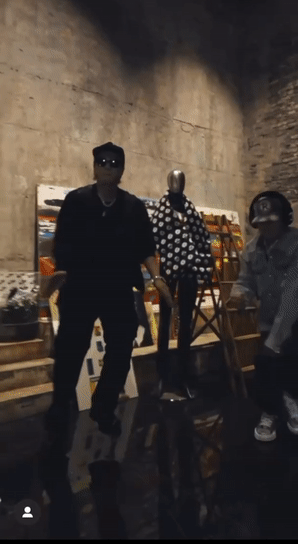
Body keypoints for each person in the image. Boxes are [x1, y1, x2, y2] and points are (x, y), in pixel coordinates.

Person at [44, 142, 174, 438]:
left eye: (114, 163)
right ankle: (60, 408)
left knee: (122, 346)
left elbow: (146, 247)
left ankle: (103, 406)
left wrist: (157, 278)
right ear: (94, 167)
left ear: (121, 171)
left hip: (117, 286)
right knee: (70, 350)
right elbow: (61, 241)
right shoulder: (77, 200)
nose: (107, 167)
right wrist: (61, 271)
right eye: (101, 162)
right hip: (81, 287)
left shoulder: (133, 207)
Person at [228, 191, 298, 442]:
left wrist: (275, 339)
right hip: (270, 317)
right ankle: (271, 410)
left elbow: (295, 294)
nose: (266, 228)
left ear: (285, 219)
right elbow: (245, 281)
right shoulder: (251, 249)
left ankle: (291, 401)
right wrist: (240, 295)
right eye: (261, 223)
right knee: (267, 361)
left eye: (271, 222)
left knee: (285, 352)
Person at [151, 169, 213, 399]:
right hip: (168, 269)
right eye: (175, 180)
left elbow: (201, 237)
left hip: (189, 271)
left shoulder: (189, 208)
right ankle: (162, 376)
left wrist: (204, 266)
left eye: (181, 180)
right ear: (169, 183)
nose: (178, 184)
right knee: (165, 322)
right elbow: (152, 239)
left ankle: (183, 377)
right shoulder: (161, 209)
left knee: (186, 323)